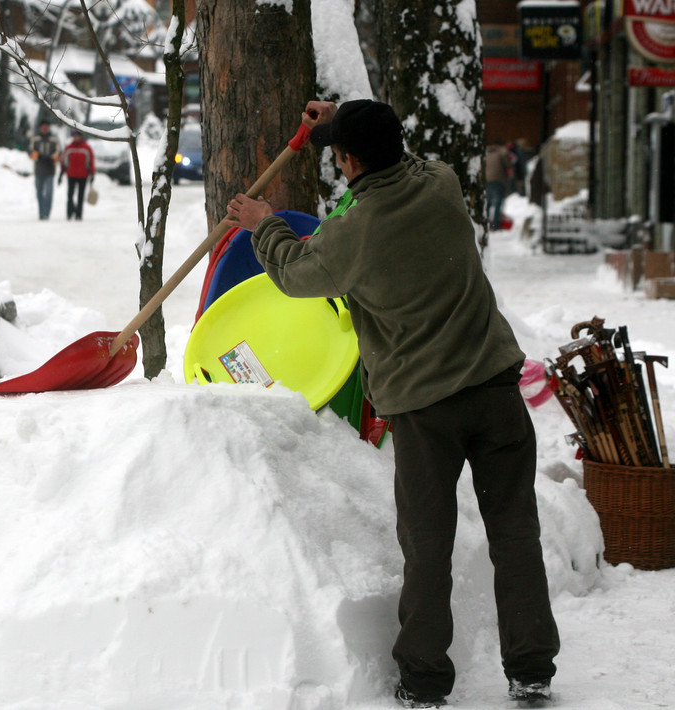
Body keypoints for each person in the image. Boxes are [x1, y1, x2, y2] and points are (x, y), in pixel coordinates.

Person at [224, 99, 560, 709]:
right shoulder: (442, 184)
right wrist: (343, 119)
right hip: (494, 388)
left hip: (427, 408)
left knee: (428, 544)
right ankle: (532, 667)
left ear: (348, 160)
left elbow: (299, 274)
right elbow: (397, 152)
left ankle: (425, 681)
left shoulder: (357, 231)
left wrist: (263, 222)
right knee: (515, 530)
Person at [59, 130, 95, 221]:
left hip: (83, 175)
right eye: (74, 136)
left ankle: (79, 214)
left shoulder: (86, 148)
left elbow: (90, 161)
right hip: (71, 174)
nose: (76, 138)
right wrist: (61, 172)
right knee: (70, 195)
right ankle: (70, 212)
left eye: (77, 136)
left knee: (80, 195)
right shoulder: (69, 147)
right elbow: (64, 161)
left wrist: (92, 173)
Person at [30, 120, 61, 220]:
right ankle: (41, 212)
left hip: (50, 170)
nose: (45, 128)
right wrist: (38, 156)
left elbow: (59, 152)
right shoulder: (35, 139)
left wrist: (51, 157)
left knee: (49, 193)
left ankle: (46, 213)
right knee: (39, 193)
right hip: (38, 170)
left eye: (46, 126)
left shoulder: (54, 139)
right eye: (43, 126)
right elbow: (30, 151)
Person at [486, 140, 512, 230]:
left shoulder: (487, 153)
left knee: (488, 203)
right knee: (498, 202)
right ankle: (495, 225)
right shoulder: (501, 152)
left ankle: (487, 224)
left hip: (487, 180)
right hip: (498, 179)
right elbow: (508, 165)